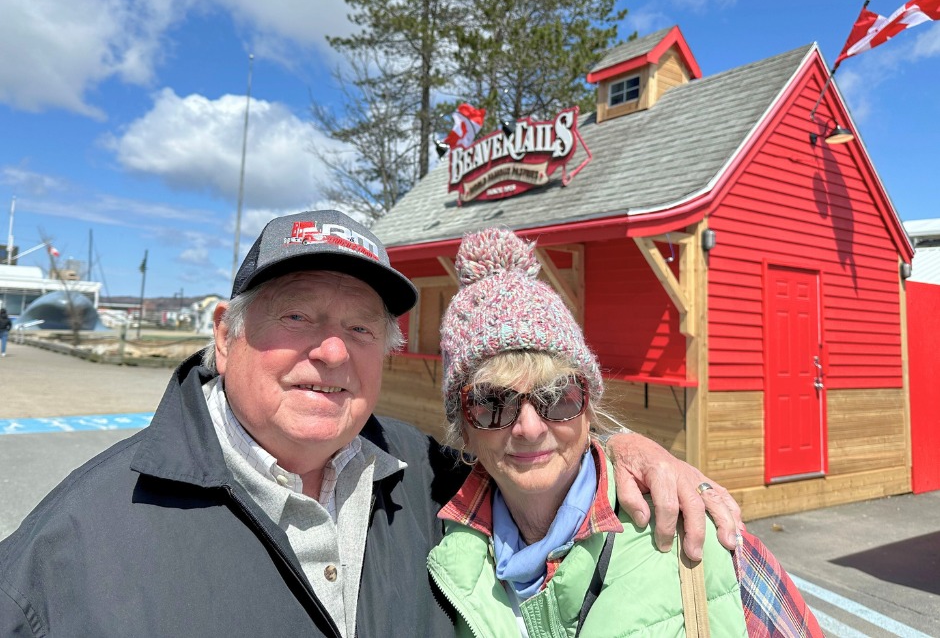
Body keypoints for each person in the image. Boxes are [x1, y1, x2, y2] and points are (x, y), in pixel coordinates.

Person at [0, 211, 741, 637]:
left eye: (360, 328)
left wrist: (626, 451)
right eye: (297, 316)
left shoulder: (423, 478)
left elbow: (539, 457)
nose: (331, 352)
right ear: (224, 335)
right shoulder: (70, 546)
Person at [428, 228, 823, 636]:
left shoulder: (701, 536)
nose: (529, 428)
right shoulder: (437, 560)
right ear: (464, 429)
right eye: (493, 403)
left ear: (588, 409)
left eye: (557, 396)